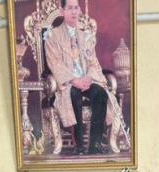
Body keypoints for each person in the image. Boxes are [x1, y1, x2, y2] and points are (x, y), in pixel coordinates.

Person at [44, 0, 112, 155]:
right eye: (70, 8)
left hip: (86, 80)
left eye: (76, 8)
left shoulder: (85, 35)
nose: (74, 12)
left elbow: (93, 61)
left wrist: (89, 77)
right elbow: (54, 63)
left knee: (100, 93)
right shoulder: (53, 35)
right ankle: (79, 145)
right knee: (73, 95)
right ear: (62, 11)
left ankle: (95, 143)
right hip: (67, 82)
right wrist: (74, 80)